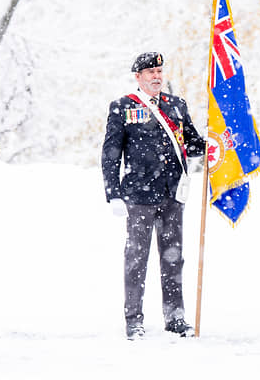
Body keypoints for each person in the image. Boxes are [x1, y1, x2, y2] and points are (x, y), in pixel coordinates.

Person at [101, 52, 205, 340]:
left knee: (173, 259)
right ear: (138, 76)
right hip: (138, 196)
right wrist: (114, 194)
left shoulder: (177, 106)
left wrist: (214, 143)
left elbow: (192, 144)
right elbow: (111, 154)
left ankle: (175, 318)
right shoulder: (123, 107)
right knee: (136, 258)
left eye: (159, 70)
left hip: (173, 194)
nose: (157, 76)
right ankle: (134, 320)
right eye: (150, 72)